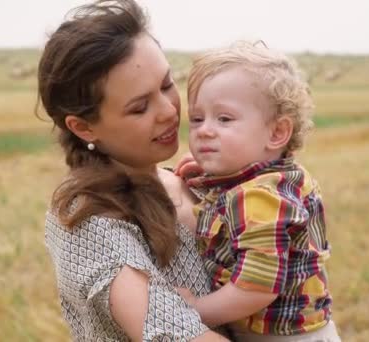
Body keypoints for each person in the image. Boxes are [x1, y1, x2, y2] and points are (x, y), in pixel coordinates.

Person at [37, 0, 228, 340]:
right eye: (140, 107)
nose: (169, 110)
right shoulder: (87, 222)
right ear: (83, 127)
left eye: (167, 84)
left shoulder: (194, 181)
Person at [176, 42, 341, 341]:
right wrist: (211, 174)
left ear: (277, 133)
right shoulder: (275, 177)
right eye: (198, 118)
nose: (204, 130)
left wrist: (196, 309)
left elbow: (257, 288)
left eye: (224, 119)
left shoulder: (261, 198)